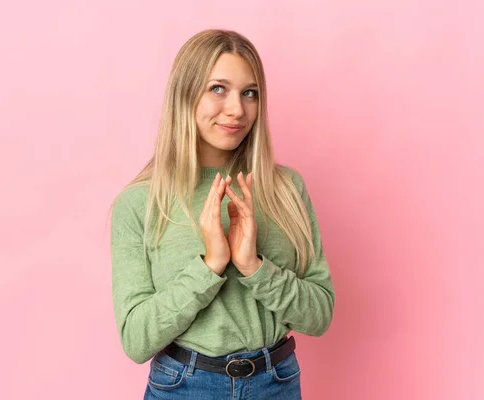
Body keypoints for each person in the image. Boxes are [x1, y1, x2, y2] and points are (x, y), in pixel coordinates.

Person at [110, 29, 335, 400]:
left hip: (276, 384)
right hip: (183, 386)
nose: (236, 109)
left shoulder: (286, 189)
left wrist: (254, 267)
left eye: (250, 93)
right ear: (186, 94)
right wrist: (210, 265)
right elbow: (136, 340)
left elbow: (320, 315)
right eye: (218, 88)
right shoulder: (140, 203)